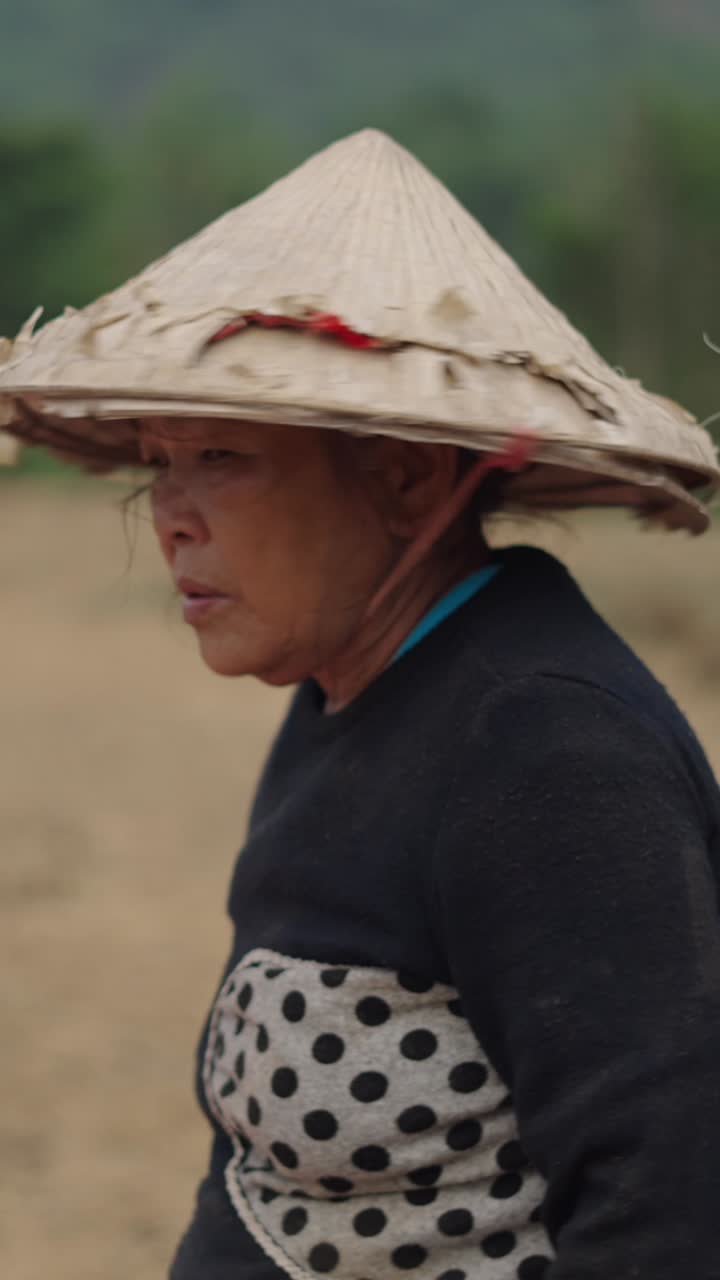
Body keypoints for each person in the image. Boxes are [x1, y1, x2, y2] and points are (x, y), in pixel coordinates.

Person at [1, 129, 720, 1280]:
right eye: (158, 461)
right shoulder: (352, 690)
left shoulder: (551, 753)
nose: (170, 513)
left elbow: (666, 1209)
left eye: (223, 457)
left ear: (406, 478)